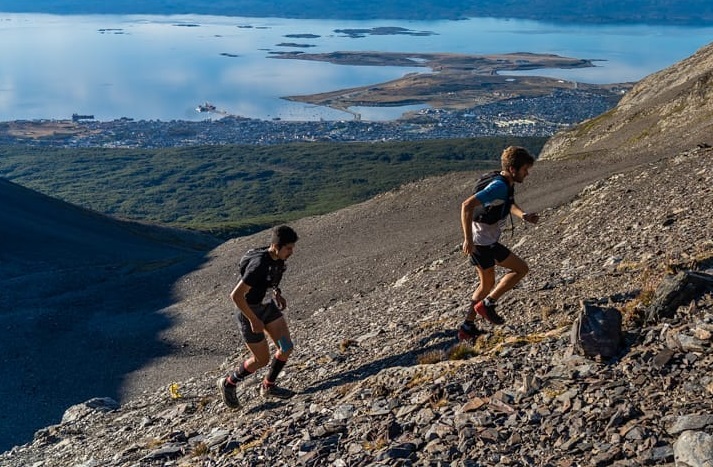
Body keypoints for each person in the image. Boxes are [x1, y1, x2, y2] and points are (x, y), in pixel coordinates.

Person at [457, 146, 539, 341]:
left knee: (486, 284)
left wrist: (523, 215)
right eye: (524, 170)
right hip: (482, 244)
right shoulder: (499, 186)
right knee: (520, 269)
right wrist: (467, 239)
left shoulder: (504, 181)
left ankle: (467, 327)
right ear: (513, 169)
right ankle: (487, 305)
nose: (526, 174)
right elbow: (467, 205)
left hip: (485, 241)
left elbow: (508, 204)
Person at [217, 225, 299, 408]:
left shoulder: (277, 258)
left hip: (268, 306)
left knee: (286, 347)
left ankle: (268, 386)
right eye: (288, 248)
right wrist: (253, 319)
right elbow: (236, 296)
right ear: (276, 246)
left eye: (292, 248)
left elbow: (270, 279)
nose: (291, 252)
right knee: (262, 360)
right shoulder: (259, 264)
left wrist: (277, 293)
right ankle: (229, 383)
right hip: (249, 311)